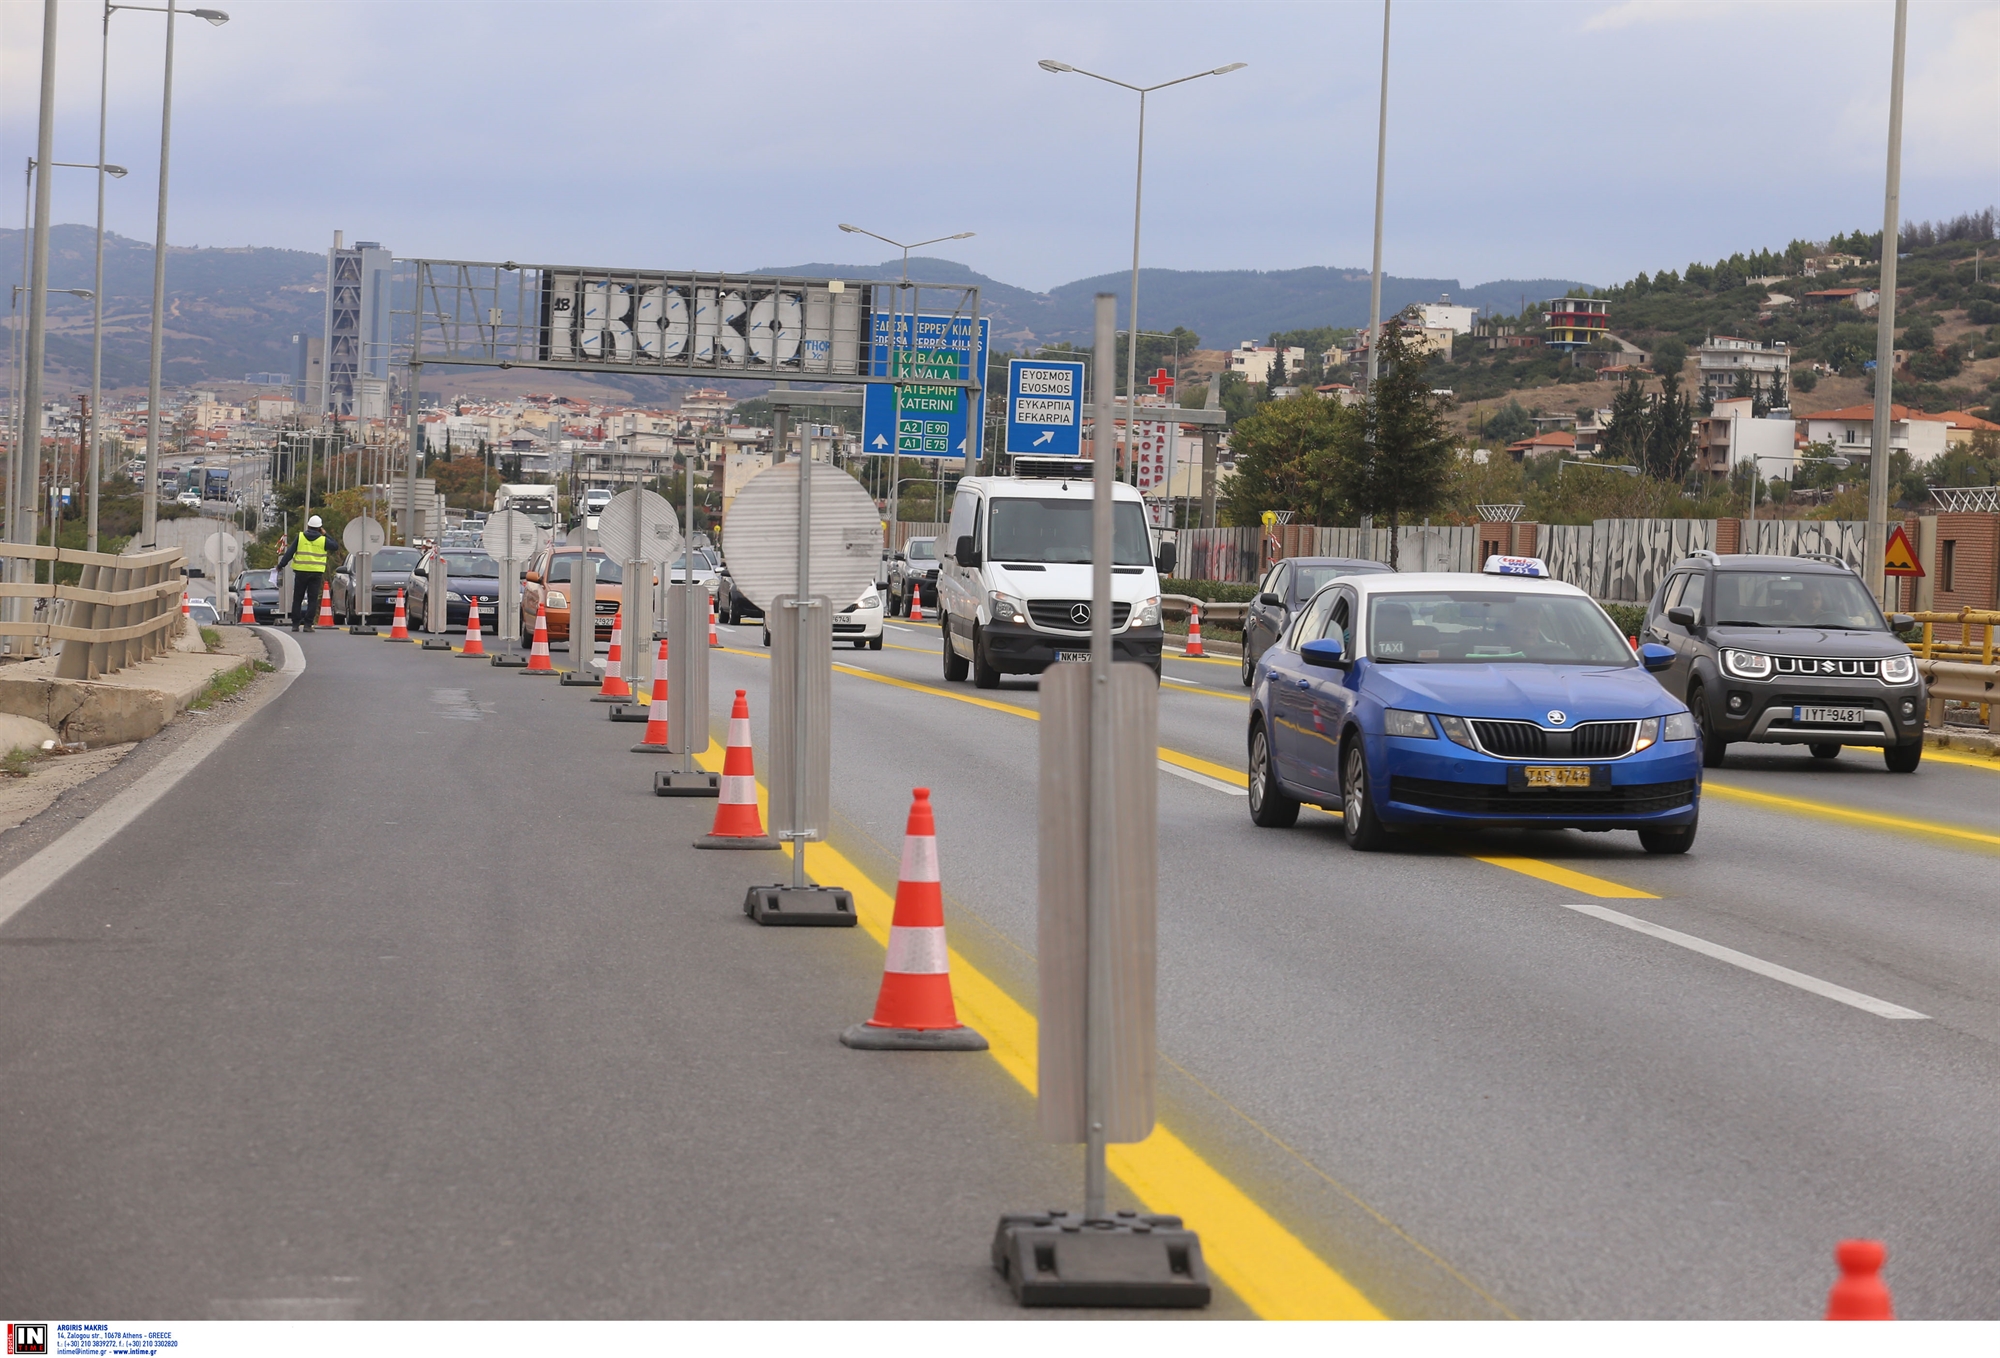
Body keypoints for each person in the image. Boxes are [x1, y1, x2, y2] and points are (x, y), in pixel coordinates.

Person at [276, 515, 334, 631]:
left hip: (301, 572)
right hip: (316, 573)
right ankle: (308, 625)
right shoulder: (323, 540)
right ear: (319, 528)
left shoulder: (300, 537)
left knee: (297, 598)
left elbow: (290, 552)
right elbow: (335, 546)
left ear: (308, 525)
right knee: (312, 599)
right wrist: (325, 534)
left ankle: (295, 624)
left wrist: (281, 565)